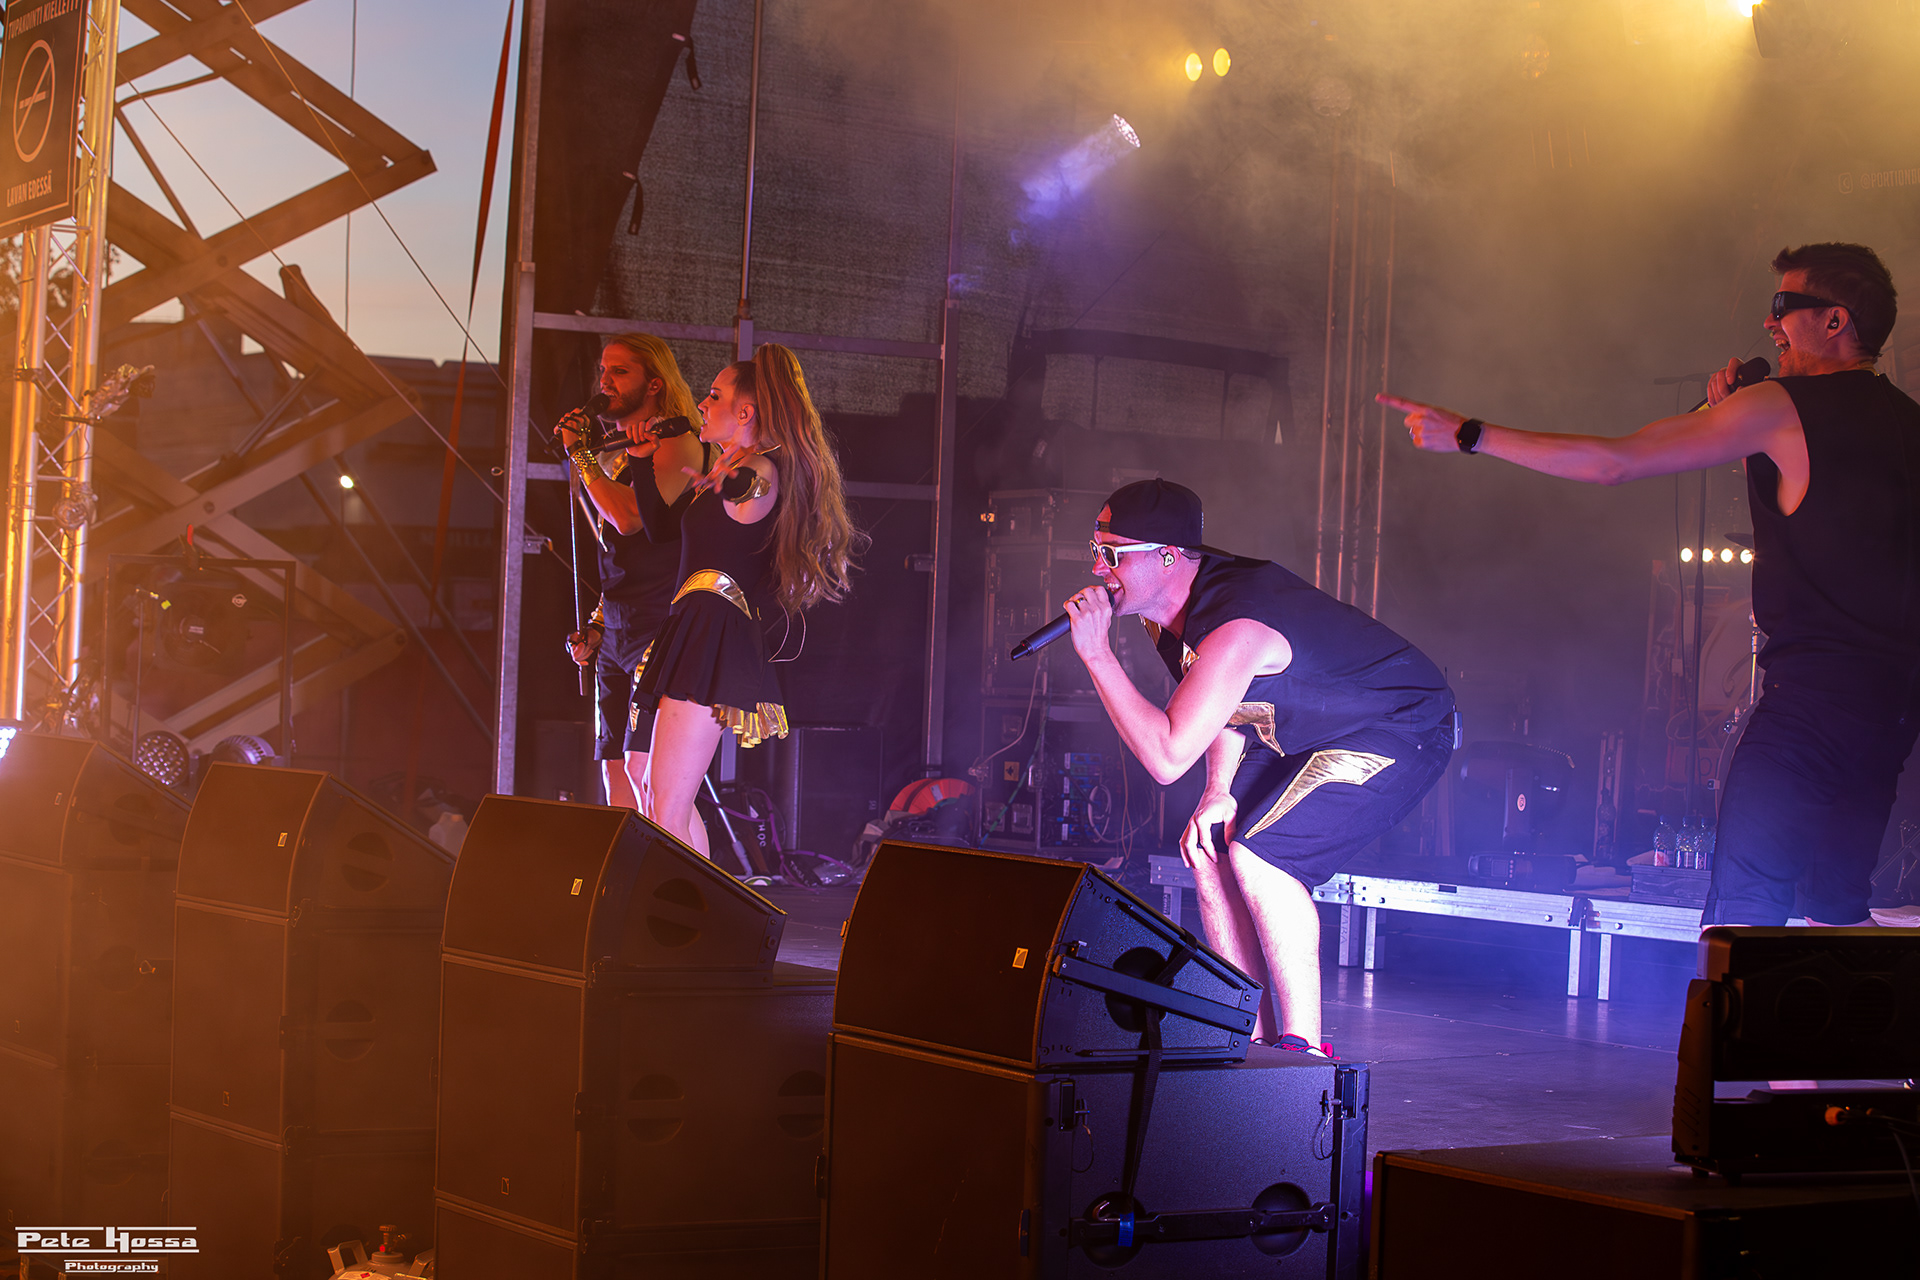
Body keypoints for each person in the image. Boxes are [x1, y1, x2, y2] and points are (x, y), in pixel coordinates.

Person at [1379, 242, 1920, 928]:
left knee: (1744, 918)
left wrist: (1472, 434)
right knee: (1837, 911)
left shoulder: (1785, 405)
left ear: (1835, 320)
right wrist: (1733, 419)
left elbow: (1616, 463)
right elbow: (1832, 517)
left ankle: (1744, 1004)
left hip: (1811, 706)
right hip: (1890, 712)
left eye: (1784, 306)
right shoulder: (1908, 423)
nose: (1769, 323)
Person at [1062, 479, 1455, 1052]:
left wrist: (1096, 654)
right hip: (1304, 730)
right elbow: (1224, 704)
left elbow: (1167, 758)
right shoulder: (1168, 610)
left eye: (1113, 554)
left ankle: (1303, 1052)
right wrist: (1217, 789)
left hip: (1404, 724)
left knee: (1263, 857)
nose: (1099, 568)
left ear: (1167, 556)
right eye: (1096, 550)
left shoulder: (1236, 624)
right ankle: (1249, 1033)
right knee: (1211, 845)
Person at [630, 343, 865, 857]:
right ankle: (693, 899)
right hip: (693, 627)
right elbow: (660, 530)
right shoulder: (730, 466)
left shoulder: (761, 467)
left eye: (714, 395)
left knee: (665, 805)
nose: (701, 403)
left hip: (712, 633)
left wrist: (729, 479)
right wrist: (642, 462)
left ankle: (685, 903)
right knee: (655, 793)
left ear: (745, 413)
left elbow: (753, 488)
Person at [555, 334, 707, 809]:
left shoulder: (677, 442)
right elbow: (620, 555)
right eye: (603, 371)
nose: (606, 382)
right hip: (618, 633)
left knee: (651, 782)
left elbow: (629, 518)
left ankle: (674, 856)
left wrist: (580, 456)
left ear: (655, 384)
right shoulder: (616, 453)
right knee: (615, 777)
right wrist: (598, 625)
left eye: (620, 372)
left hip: (657, 628)